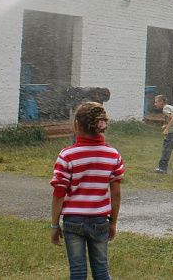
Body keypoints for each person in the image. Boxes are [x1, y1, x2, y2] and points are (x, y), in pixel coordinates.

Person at [49, 102, 125, 280]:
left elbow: (59, 194)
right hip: (100, 221)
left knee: (77, 272)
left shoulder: (67, 155)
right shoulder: (113, 155)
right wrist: (112, 222)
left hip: (73, 222)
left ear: (77, 124)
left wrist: (54, 225)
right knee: (101, 271)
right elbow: (116, 194)